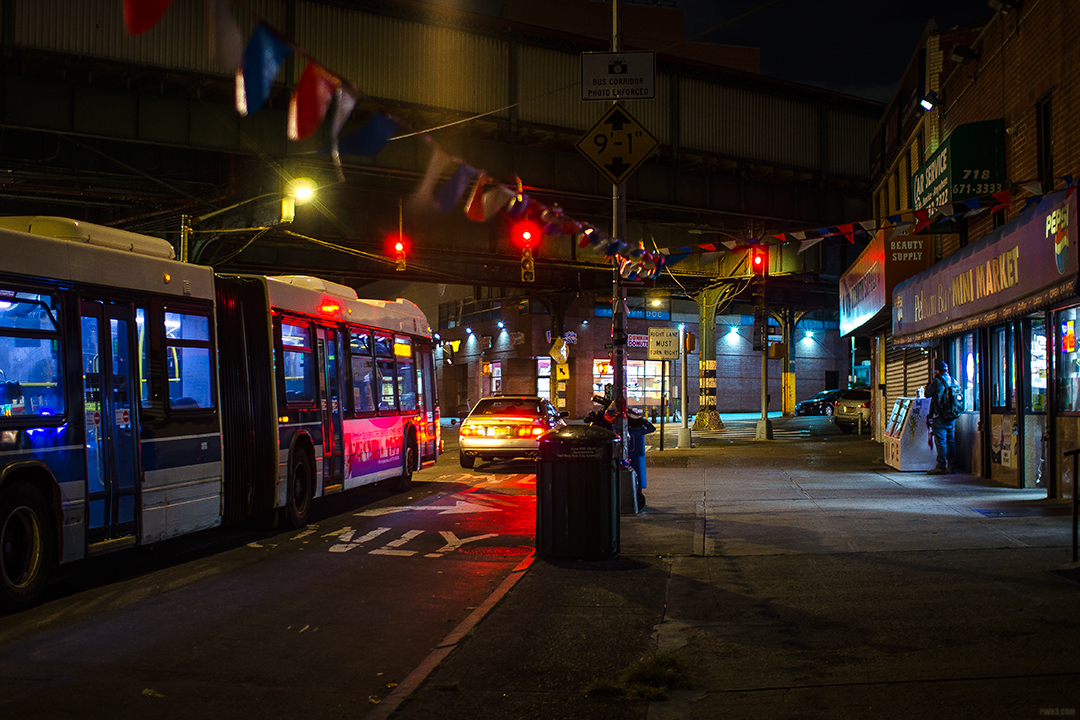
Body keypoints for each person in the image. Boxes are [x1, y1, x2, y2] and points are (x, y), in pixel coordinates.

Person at [927, 360, 957, 474]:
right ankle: (952, 465)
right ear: (947, 370)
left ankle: (941, 465)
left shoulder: (938, 381)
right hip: (951, 416)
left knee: (941, 441)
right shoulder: (954, 381)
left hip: (939, 415)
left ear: (938, 371)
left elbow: (927, 393)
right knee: (951, 441)